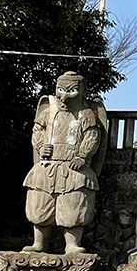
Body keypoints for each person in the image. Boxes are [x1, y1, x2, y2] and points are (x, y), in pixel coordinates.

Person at [23, 71, 105, 255]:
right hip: (47, 166)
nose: (64, 96)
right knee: (40, 204)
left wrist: (82, 156)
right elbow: (37, 131)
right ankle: (39, 243)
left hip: (74, 168)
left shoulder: (86, 114)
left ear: (82, 92)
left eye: (72, 91)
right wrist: (40, 146)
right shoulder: (48, 112)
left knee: (73, 205)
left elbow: (92, 136)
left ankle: (72, 244)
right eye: (60, 90)